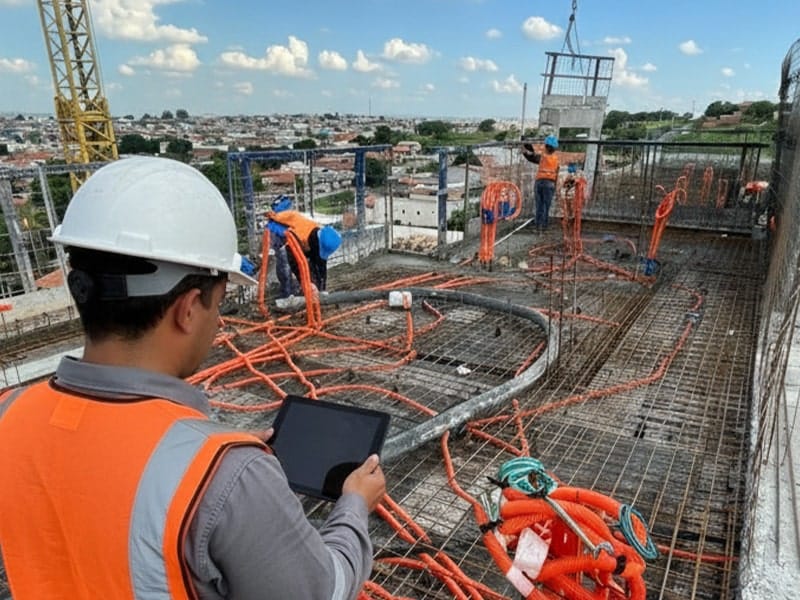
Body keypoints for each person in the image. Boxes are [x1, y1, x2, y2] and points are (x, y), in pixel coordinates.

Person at [0, 156, 385, 599]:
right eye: (218, 305)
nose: (218, 321)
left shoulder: (10, 414)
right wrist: (355, 504)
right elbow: (324, 591)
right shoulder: (227, 475)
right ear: (187, 310)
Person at [266, 202, 341, 309]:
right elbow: (297, 264)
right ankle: (286, 298)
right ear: (317, 244)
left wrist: (322, 289)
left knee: (313, 264)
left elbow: (320, 264)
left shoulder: (318, 237)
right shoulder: (297, 236)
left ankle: (308, 289)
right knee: (285, 263)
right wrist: (308, 285)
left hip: (301, 242)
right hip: (280, 237)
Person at [522, 134, 560, 232]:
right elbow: (557, 174)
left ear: (546, 146)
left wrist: (525, 143)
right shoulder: (556, 159)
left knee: (539, 205)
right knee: (546, 206)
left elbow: (531, 155)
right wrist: (555, 186)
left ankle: (538, 226)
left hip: (540, 183)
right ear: (555, 148)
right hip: (550, 184)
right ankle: (544, 227)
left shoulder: (542, 157)